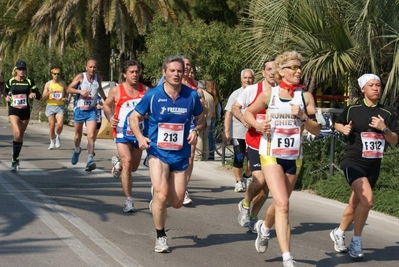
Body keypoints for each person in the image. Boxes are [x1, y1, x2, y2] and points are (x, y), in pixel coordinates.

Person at [244, 51, 320, 267]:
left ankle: (264, 228)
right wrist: (259, 126)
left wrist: (303, 117)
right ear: (281, 72)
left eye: (299, 67)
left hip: (293, 157)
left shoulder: (306, 97)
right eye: (293, 67)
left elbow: (316, 130)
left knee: (280, 203)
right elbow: (248, 113)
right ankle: (288, 258)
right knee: (284, 204)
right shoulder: (270, 95)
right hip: (270, 154)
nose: (298, 71)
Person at [129, 55, 204, 253]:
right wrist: (139, 137)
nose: (176, 74)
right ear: (164, 73)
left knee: (177, 202)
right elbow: (134, 117)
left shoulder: (192, 96)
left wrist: (195, 130)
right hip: (157, 151)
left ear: (184, 73)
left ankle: (157, 202)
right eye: (172, 71)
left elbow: (201, 117)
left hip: (180, 154)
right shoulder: (153, 95)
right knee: (162, 194)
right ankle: (161, 236)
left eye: (180, 71)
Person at [329, 74, 399, 260]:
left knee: (355, 205)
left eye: (378, 85)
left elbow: (394, 141)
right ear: (363, 89)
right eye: (372, 85)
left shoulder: (388, 113)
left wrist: (384, 128)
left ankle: (339, 232)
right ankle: (356, 242)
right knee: (367, 200)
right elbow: (338, 122)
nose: (376, 88)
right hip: (353, 161)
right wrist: (342, 129)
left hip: (373, 166)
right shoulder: (353, 109)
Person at [233, 59, 275, 233]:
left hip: (274, 145)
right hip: (256, 142)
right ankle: (245, 204)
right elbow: (236, 108)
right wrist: (245, 120)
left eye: (276, 69)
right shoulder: (252, 90)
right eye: (269, 69)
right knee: (259, 179)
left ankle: (253, 216)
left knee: (267, 187)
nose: (273, 72)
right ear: (263, 72)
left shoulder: (284, 92)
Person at [103, 60, 149, 212]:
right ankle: (128, 200)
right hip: (122, 132)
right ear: (125, 74)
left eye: (137, 71)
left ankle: (118, 165)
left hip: (139, 134)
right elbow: (106, 105)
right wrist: (110, 118)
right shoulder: (116, 90)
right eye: (132, 72)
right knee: (128, 162)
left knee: (133, 167)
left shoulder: (146, 90)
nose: (135, 74)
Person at [67, 59, 107, 172]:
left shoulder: (98, 78)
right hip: (80, 109)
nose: (92, 69)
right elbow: (68, 89)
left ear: (97, 68)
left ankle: (90, 160)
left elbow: (99, 88)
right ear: (86, 67)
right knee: (77, 136)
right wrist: (80, 92)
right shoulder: (80, 77)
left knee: (90, 135)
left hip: (91, 111)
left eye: (94, 67)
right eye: (90, 67)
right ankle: (77, 150)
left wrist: (106, 99)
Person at [4, 60, 41, 171]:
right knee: (17, 133)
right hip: (13, 110)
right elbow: (5, 91)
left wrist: (33, 94)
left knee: (20, 137)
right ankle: (14, 160)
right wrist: (6, 97)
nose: (22, 71)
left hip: (25, 111)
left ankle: (16, 156)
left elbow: (38, 94)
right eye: (20, 69)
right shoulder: (11, 81)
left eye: (24, 69)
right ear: (16, 70)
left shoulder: (30, 81)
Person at [224, 69, 254, 192]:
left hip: (253, 132)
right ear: (241, 79)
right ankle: (238, 181)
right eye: (245, 78)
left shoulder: (257, 93)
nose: (248, 80)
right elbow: (228, 113)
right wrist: (226, 131)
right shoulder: (236, 94)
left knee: (252, 159)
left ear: (253, 79)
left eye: (250, 78)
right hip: (238, 132)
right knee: (239, 157)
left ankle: (247, 176)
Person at [42, 67, 68, 150]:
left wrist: (65, 98)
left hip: (60, 106)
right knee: (52, 125)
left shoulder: (62, 83)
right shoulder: (48, 84)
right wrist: (49, 92)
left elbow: (68, 92)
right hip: (50, 106)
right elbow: (43, 97)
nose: (56, 75)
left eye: (58, 74)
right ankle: (51, 142)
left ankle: (57, 137)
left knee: (60, 124)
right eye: (55, 74)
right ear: (52, 74)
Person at [194, 80, 213, 161]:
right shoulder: (210, 96)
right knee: (206, 138)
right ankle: (205, 155)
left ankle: (198, 156)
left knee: (200, 137)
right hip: (209, 119)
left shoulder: (199, 95)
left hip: (202, 118)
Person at [205, 80, 222, 160]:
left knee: (207, 136)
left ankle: (209, 153)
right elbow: (218, 108)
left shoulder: (207, 95)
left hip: (208, 116)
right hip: (214, 116)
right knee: (211, 136)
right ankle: (212, 153)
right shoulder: (216, 96)